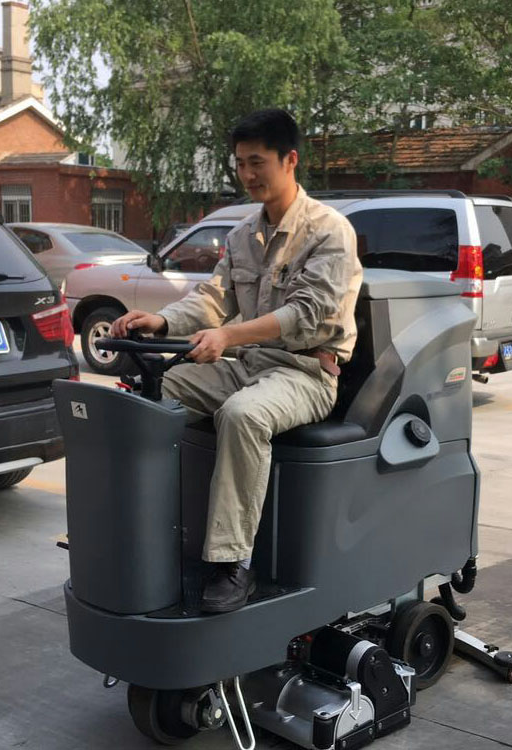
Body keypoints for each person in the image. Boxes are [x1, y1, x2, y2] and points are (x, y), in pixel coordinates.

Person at [111, 109, 362, 613]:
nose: (247, 174)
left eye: (257, 162)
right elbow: (212, 299)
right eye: (241, 163)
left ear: (290, 160)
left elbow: (306, 315)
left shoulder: (329, 231)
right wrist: (159, 322)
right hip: (247, 362)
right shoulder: (242, 234)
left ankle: (231, 564)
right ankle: (142, 532)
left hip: (306, 372)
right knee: (151, 396)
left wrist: (227, 335)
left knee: (243, 415)